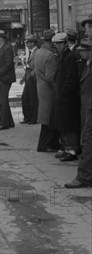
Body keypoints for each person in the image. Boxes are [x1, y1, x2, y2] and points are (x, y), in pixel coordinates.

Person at [66, 14, 92, 188]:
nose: (87, 30)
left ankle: (84, 177)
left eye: (89, 27)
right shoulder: (87, 63)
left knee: (88, 140)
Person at [51, 32, 80, 162]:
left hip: (67, 98)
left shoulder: (70, 57)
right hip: (61, 97)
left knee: (68, 125)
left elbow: (70, 78)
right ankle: (66, 147)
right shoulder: (62, 56)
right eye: (56, 43)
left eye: (60, 43)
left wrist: (63, 92)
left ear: (65, 43)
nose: (57, 46)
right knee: (62, 124)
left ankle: (72, 150)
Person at [35, 29, 61, 152]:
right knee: (50, 117)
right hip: (48, 89)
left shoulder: (39, 52)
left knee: (46, 117)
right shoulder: (50, 55)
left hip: (40, 87)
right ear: (52, 41)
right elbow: (50, 77)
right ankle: (46, 144)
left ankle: (50, 143)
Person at [20, 34, 39, 125]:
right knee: (25, 98)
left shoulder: (37, 52)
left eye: (28, 42)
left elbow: (37, 66)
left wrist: (32, 74)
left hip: (32, 78)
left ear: (33, 43)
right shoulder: (31, 52)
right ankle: (27, 117)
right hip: (28, 77)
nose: (26, 44)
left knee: (32, 99)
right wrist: (24, 78)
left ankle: (33, 118)